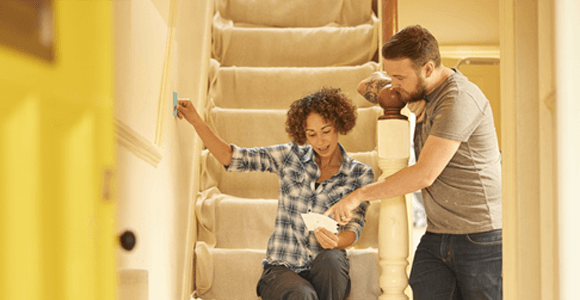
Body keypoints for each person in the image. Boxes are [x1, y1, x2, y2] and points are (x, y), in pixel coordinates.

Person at [325, 25, 503, 299]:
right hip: (439, 234)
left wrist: (358, 195)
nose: (393, 84)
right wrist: (406, 98)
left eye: (399, 77)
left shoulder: (458, 98)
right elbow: (364, 86)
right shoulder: (424, 92)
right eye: (390, 76)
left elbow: (424, 174)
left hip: (480, 237)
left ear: (428, 69)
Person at [176, 86, 374, 300]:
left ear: (338, 125)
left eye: (326, 131)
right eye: (311, 134)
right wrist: (196, 120)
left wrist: (336, 241)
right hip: (282, 270)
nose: (320, 141)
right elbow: (232, 158)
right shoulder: (290, 156)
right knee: (303, 295)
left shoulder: (359, 174)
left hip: (327, 272)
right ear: (303, 134)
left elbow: (354, 227)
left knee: (332, 259)